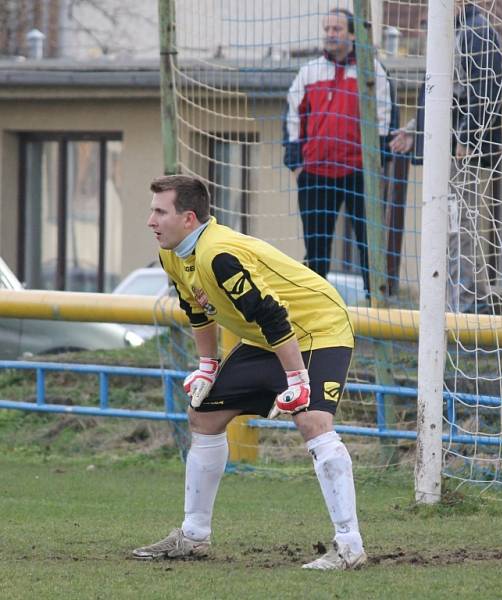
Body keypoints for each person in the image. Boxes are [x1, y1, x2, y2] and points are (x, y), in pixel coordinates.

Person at [132, 175, 366, 570]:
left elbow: (273, 315)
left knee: (312, 422)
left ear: (189, 218)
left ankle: (349, 547)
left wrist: (296, 381)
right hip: (267, 339)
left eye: (159, 211)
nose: (150, 220)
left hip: (317, 329)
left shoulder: (219, 254)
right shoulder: (171, 252)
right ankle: (193, 536)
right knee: (203, 414)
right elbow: (196, 308)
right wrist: (208, 365)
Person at [390, 0, 502, 313]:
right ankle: (455, 300)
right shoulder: (446, 33)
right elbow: (440, 95)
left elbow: (486, 92)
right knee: (446, 226)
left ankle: (466, 303)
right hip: (442, 151)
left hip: (459, 154)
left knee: (458, 226)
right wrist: (414, 129)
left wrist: (467, 137)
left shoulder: (477, 33)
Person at [283, 8, 392, 296]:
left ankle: (376, 305)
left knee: (369, 243)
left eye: (338, 29)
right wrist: (296, 164)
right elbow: (293, 118)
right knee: (316, 248)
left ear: (353, 34)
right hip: (316, 174)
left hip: (359, 174)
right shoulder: (309, 72)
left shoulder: (373, 71)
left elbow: (383, 118)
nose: (331, 34)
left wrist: (377, 162)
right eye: (327, 28)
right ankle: (315, 306)